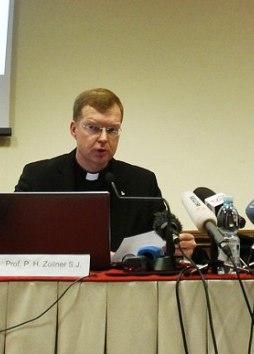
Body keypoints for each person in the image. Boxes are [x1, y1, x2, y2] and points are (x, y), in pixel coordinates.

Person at [15, 88, 196, 257]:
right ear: (74, 129)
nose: (103, 138)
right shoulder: (38, 177)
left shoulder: (142, 183)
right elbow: (15, 235)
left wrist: (176, 246)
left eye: (112, 130)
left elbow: (160, 238)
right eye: (93, 128)